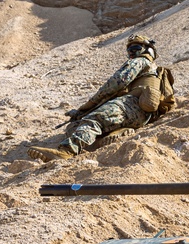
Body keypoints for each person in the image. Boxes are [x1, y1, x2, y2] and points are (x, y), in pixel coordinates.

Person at [28, 34, 163, 161]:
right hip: (136, 113)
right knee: (75, 126)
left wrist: (89, 104)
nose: (132, 52)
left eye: (136, 48)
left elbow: (117, 82)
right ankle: (115, 134)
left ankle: (66, 151)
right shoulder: (152, 70)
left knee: (97, 117)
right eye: (129, 50)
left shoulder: (141, 61)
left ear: (148, 50)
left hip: (133, 106)